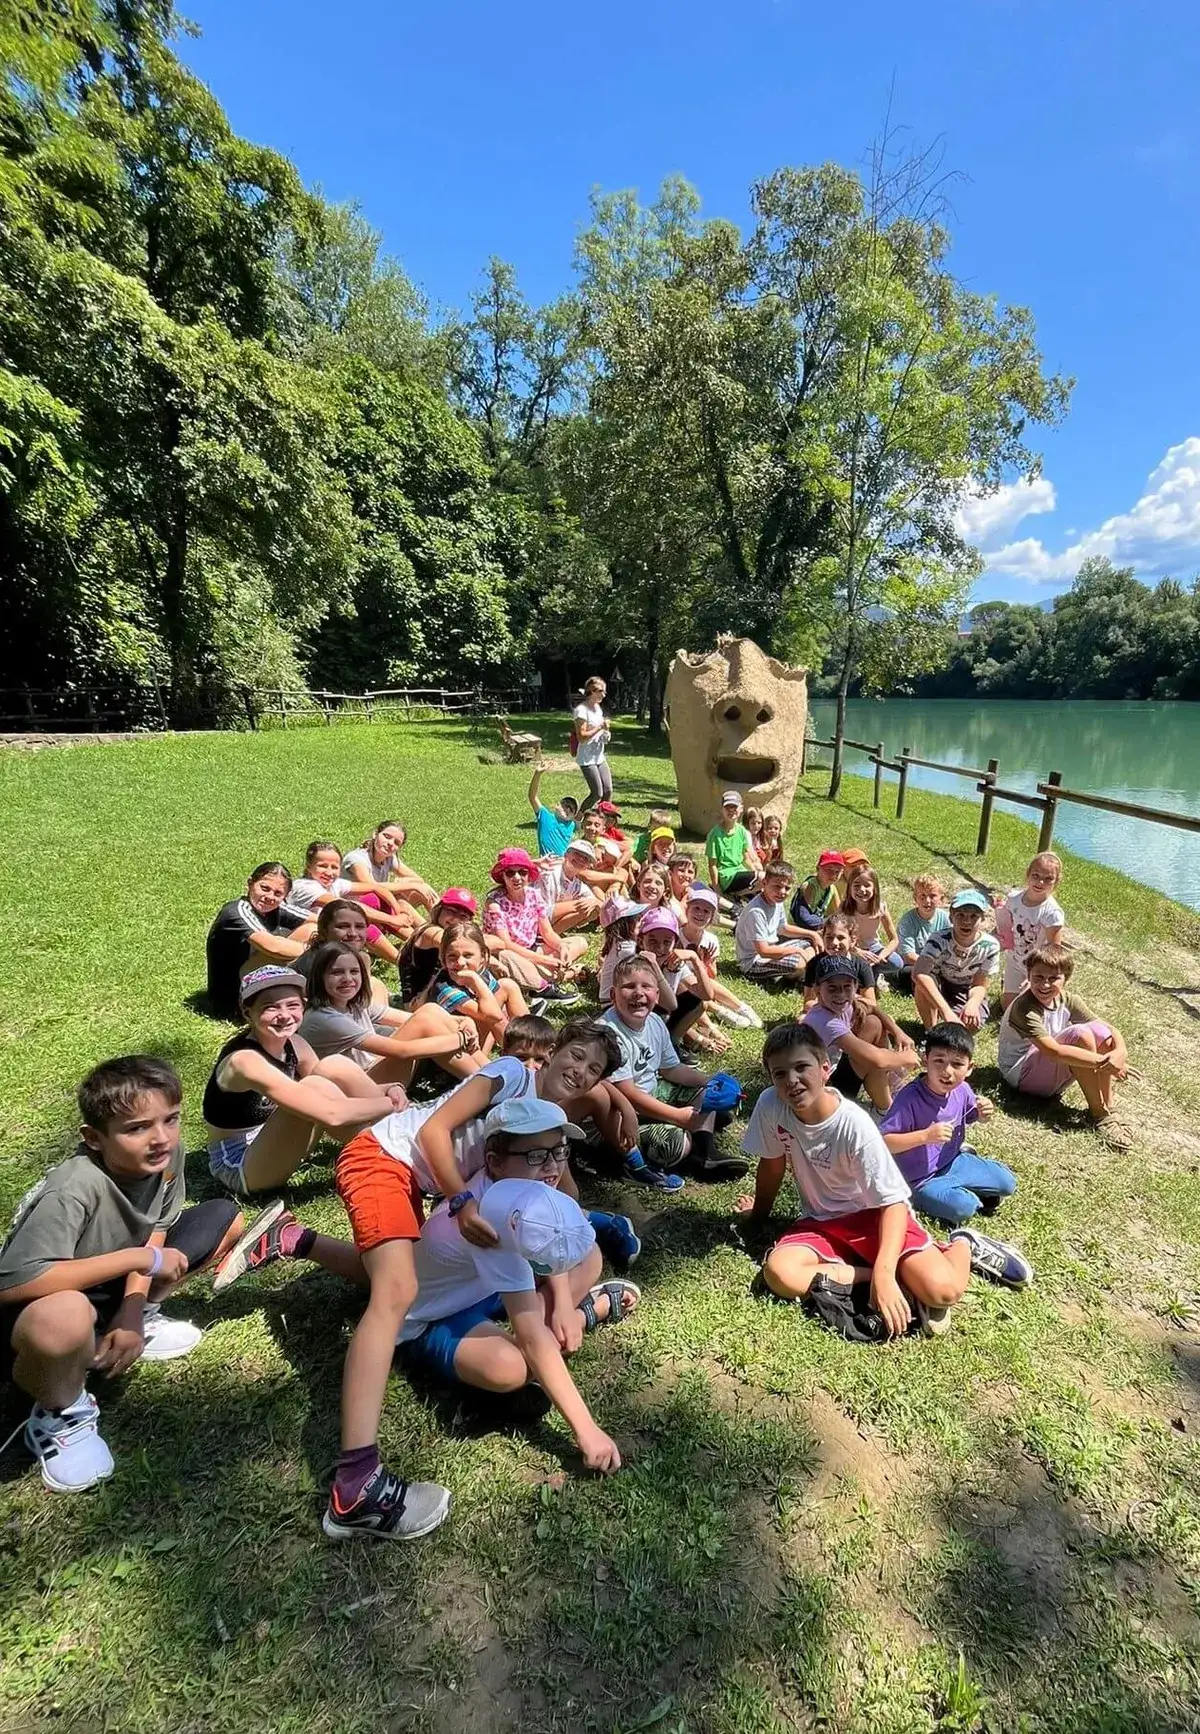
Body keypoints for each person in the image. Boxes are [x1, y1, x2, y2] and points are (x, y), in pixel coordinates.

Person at [323, 1020, 633, 1538]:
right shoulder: (511, 1074)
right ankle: (355, 1484)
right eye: (575, 1056)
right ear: (551, 1052)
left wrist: (559, 1294)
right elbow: (430, 1133)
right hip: (385, 1158)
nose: (581, 1072)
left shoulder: (545, 1128)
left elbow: (568, 1201)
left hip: (441, 1193)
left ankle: (299, 1241)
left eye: (594, 1070)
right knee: (396, 1292)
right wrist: (462, 1204)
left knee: (571, 1260)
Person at [0, 1057, 249, 1491]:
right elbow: (15, 1283)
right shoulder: (74, 1187)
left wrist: (133, 1309)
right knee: (67, 1314)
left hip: (108, 1286)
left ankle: (121, 1332)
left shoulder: (165, 1155)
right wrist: (138, 1263)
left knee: (224, 1219)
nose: (160, 1138)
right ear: (94, 1139)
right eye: (136, 1128)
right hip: (41, 1305)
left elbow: (156, 1226)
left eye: (170, 1119)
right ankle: (60, 1408)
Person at [736, 1024, 1027, 1345]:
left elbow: (893, 1202)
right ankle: (886, 1279)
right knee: (781, 1274)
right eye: (779, 1074)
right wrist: (758, 1216)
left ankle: (963, 1244)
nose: (791, 1080)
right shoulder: (770, 1106)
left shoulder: (854, 1125)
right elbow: (773, 1163)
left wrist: (886, 1271)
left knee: (943, 1291)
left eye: (801, 1067)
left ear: (825, 1069)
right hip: (820, 1222)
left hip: (876, 1217)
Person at [398, 1103, 638, 1472]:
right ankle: (587, 1312)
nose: (553, 1167)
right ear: (494, 1161)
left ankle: (565, 1320)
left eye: (560, 1151)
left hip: (488, 1286)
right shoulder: (489, 1222)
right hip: (437, 1315)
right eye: (537, 1155)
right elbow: (530, 1337)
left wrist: (559, 1303)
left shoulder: (524, 1190)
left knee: (588, 1254)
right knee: (509, 1367)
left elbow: (551, 1246)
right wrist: (587, 1430)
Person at [203, 965, 406, 1195]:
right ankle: (397, 1151)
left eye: (293, 1005)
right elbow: (332, 1114)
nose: (284, 1015)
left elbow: (334, 1091)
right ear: (248, 1012)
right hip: (241, 1165)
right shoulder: (244, 1061)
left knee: (333, 1065)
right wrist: (389, 1104)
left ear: (304, 1006)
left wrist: (388, 1089)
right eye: (271, 1007)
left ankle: (400, 1140)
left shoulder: (295, 1044)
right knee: (314, 1086)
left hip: (279, 1139)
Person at [602, 956, 747, 1180]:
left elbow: (672, 1069)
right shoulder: (608, 1032)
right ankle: (694, 1140)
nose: (638, 993)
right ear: (613, 995)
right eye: (629, 986)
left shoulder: (655, 1022)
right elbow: (627, 1093)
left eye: (646, 987)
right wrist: (676, 1116)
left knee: (710, 1094)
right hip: (621, 1114)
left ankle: (705, 1154)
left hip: (652, 1092)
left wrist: (711, 1080)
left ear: (657, 995)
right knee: (676, 1145)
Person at [881, 1023, 1020, 1230]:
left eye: (957, 1064)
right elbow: (884, 1142)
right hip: (919, 1179)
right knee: (964, 1208)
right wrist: (925, 1136)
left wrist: (983, 1113)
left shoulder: (962, 1089)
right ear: (925, 1061)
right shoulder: (909, 1098)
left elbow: (971, 1115)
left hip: (953, 1161)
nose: (947, 1072)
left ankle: (966, 1180)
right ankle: (957, 1195)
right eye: (939, 1061)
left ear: (970, 1068)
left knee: (1008, 1183)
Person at [997, 946, 1136, 1148]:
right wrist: (1105, 1062)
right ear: (1028, 975)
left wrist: (1119, 1053)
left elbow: (1107, 1028)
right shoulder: (1024, 1007)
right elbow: (1053, 1051)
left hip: (1047, 1068)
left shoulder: (1068, 999)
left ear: (1065, 979)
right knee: (1079, 1035)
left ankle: (1108, 1108)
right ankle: (1099, 1115)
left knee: (1100, 1033)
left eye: (1053, 978)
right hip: (1020, 1073)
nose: (1045, 984)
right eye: (1038, 977)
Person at [298, 941, 478, 1081]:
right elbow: (402, 1051)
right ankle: (485, 1082)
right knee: (425, 1022)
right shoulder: (324, 1017)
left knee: (430, 1010)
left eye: (354, 971)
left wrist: (463, 1022)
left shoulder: (352, 1004)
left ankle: (492, 1074)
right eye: (337, 972)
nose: (348, 979)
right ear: (319, 978)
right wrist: (460, 1038)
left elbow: (413, 1016)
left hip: (370, 1074)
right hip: (355, 1092)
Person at [802, 954, 920, 1113]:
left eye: (847, 986)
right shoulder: (823, 1021)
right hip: (822, 1090)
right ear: (817, 990)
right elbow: (877, 1059)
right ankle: (885, 1112)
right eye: (832, 988)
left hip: (834, 1068)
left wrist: (897, 1031)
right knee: (874, 1059)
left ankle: (889, 1084)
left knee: (872, 1023)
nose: (841, 994)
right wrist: (903, 1059)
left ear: (856, 986)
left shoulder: (843, 1004)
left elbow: (872, 1008)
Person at [205, 862, 315, 1021]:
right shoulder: (236, 911)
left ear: (285, 896)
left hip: (255, 977)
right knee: (288, 947)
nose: (270, 897)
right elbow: (274, 948)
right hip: (234, 1001)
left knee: (313, 929)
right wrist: (319, 952)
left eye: (278, 893)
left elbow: (323, 921)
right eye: (264, 888)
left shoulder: (274, 907)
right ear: (250, 884)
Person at [482, 848, 585, 999]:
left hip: (532, 950)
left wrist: (561, 946)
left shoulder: (533, 895)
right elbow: (505, 943)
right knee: (506, 956)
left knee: (579, 942)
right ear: (502, 876)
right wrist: (544, 960)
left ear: (528, 875)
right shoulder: (495, 903)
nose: (517, 877)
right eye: (510, 873)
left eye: (522, 872)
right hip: (510, 954)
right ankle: (546, 984)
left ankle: (536, 979)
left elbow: (547, 932)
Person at [288, 841, 405, 965]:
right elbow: (349, 910)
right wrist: (392, 920)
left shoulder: (335, 883)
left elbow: (375, 888)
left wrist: (398, 911)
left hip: (329, 931)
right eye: (322, 866)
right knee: (358, 926)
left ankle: (416, 944)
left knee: (372, 898)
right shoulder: (303, 887)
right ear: (309, 866)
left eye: (334, 867)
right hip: (304, 939)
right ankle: (403, 964)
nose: (329, 872)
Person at [428, 922, 529, 1051]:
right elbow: (494, 1016)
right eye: (452, 956)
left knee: (508, 986)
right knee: (486, 1013)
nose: (460, 963)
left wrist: (476, 979)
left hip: (480, 1036)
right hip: (459, 1048)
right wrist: (474, 979)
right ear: (443, 958)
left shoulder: (482, 974)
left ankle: (530, 1039)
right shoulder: (445, 988)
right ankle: (520, 1053)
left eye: (468, 955)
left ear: (483, 956)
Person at [911, 889, 1000, 1031]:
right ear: (951, 917)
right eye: (961, 915)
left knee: (972, 1025)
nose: (966, 921)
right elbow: (919, 973)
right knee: (923, 984)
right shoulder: (938, 939)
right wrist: (946, 1012)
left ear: (982, 918)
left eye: (973, 916)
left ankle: (952, 1027)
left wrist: (973, 1003)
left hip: (966, 988)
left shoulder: (990, 946)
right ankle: (931, 1031)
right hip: (940, 983)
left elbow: (980, 984)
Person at [635, 907, 721, 1052]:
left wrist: (695, 959)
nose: (660, 948)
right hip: (641, 1018)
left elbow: (707, 995)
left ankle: (671, 1044)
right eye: (652, 941)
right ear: (640, 941)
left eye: (667, 942)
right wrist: (655, 966)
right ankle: (657, 1049)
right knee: (661, 1014)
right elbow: (666, 1005)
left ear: (675, 942)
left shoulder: (674, 964)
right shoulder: (634, 965)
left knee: (698, 1002)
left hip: (663, 1015)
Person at [679, 885, 763, 1032]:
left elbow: (712, 976)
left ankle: (741, 1007)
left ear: (712, 917)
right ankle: (721, 1011)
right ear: (687, 910)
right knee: (686, 981)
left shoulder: (710, 940)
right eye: (696, 908)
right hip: (680, 981)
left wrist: (706, 963)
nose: (700, 914)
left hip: (702, 982)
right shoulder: (676, 935)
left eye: (706, 911)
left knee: (705, 980)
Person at [993, 852, 1066, 1009]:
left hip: (1039, 968)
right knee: (1008, 1008)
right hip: (1015, 960)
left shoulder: (1052, 913)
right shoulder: (1013, 900)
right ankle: (1010, 988)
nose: (1040, 882)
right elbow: (1003, 926)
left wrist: (1040, 977)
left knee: (1033, 1009)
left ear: (1057, 881)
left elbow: (1055, 950)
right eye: (1036, 875)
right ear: (1028, 874)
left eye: (1048, 879)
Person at [735, 862, 819, 981]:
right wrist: (796, 950)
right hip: (754, 962)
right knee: (798, 964)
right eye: (777, 886)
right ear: (764, 883)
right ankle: (800, 973)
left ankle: (800, 970)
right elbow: (763, 951)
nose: (782, 892)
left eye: (787, 888)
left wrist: (813, 934)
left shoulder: (775, 901)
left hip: (773, 949)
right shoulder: (756, 912)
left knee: (811, 942)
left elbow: (783, 928)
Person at [396, 888, 481, 1006]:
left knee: (505, 986)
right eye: (451, 911)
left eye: (462, 916)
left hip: (440, 992)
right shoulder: (430, 932)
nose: (455, 919)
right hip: (419, 1003)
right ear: (439, 910)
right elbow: (458, 944)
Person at [343, 821, 436, 919]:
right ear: (375, 834)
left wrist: (404, 883)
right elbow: (372, 886)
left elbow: (418, 879)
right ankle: (426, 931)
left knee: (423, 889)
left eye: (396, 843)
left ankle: (444, 923)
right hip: (352, 913)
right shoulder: (356, 859)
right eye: (387, 836)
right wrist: (410, 885)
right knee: (400, 898)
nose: (390, 843)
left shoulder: (389, 858)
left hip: (377, 907)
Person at [842, 865, 904, 983]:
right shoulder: (844, 909)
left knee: (897, 963)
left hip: (873, 948)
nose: (862, 890)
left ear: (874, 888)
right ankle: (863, 974)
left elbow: (894, 940)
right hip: (852, 949)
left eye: (867, 885)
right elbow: (838, 938)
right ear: (849, 888)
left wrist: (880, 957)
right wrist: (857, 951)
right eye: (856, 885)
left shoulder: (880, 908)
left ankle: (873, 970)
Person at [802, 912, 875, 1006]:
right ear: (822, 937)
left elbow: (871, 1003)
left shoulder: (861, 965)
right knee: (802, 1019)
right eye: (829, 937)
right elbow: (808, 1002)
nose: (834, 942)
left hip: (852, 1010)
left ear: (852, 940)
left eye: (841, 938)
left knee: (876, 1020)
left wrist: (848, 999)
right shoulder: (814, 964)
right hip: (824, 1011)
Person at [895, 874, 950, 993]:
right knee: (909, 973)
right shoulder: (907, 921)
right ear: (915, 898)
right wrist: (933, 966)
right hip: (914, 963)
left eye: (932, 896)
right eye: (922, 896)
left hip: (938, 964)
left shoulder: (945, 918)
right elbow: (908, 955)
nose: (927, 901)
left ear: (941, 898)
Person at [538, 839, 601, 934]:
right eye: (577, 854)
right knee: (582, 906)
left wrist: (595, 902)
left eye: (586, 858)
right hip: (535, 915)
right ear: (566, 854)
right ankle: (545, 936)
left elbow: (600, 906)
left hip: (548, 917)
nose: (581, 859)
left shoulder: (577, 884)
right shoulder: (550, 871)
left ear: (587, 866)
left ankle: (547, 937)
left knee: (591, 908)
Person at [706, 792, 760, 901]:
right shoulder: (714, 834)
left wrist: (755, 870)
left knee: (764, 890)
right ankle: (735, 894)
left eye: (734, 807)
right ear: (722, 809)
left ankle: (739, 895)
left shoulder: (741, 831)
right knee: (763, 879)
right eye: (727, 807)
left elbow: (745, 857)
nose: (731, 811)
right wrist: (717, 888)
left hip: (740, 871)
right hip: (727, 876)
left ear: (741, 809)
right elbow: (712, 865)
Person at [598, 894, 648, 1005]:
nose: (642, 922)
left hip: (608, 998)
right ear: (625, 924)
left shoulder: (615, 942)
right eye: (638, 919)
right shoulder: (626, 949)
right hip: (612, 1003)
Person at [573, 676, 613, 812]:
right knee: (597, 794)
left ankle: (602, 821)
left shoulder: (597, 708)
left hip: (599, 756)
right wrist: (600, 727)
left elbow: (600, 732)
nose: (604, 694)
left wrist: (606, 732)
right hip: (587, 758)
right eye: (601, 691)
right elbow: (582, 737)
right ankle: (578, 819)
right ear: (592, 691)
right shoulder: (581, 711)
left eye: (604, 691)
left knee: (607, 791)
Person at [527, 766, 580, 858]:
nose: (567, 809)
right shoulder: (545, 817)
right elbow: (533, 796)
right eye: (565, 804)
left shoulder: (572, 825)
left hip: (564, 863)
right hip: (547, 863)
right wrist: (537, 774)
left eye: (571, 809)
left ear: (573, 816)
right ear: (556, 805)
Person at [790, 851, 843, 933]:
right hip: (797, 931)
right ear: (818, 869)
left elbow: (839, 914)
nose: (833, 875)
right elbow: (804, 920)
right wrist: (828, 922)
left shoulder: (831, 888)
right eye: (829, 870)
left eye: (837, 872)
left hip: (816, 929)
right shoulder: (809, 886)